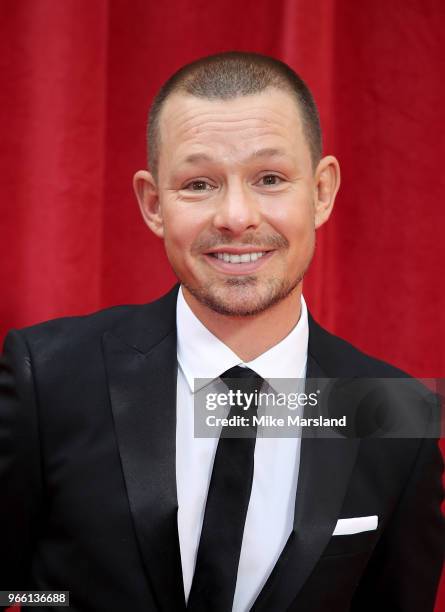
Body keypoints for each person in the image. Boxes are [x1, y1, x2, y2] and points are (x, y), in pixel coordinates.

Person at [0, 52, 443, 612]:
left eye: (271, 178)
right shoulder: (48, 376)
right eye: (200, 183)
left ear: (322, 191)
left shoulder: (395, 412)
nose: (236, 216)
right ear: (154, 203)